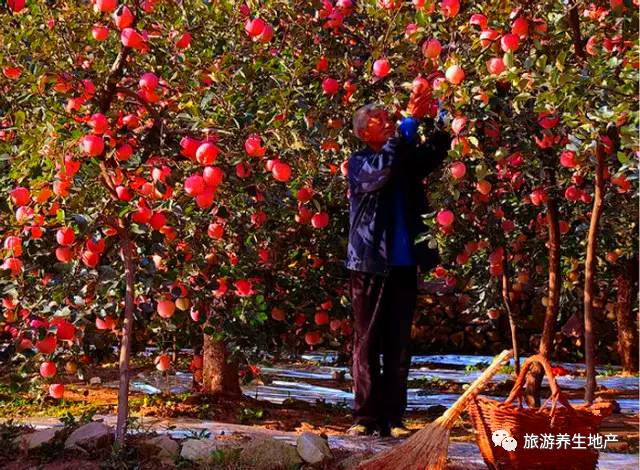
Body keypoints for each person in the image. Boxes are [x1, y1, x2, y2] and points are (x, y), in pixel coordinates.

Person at [345, 100, 450, 438]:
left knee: (398, 344)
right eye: (378, 120)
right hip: (370, 263)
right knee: (367, 341)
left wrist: (444, 124)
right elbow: (384, 168)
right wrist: (407, 128)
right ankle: (365, 417)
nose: (387, 121)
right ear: (364, 132)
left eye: (388, 117)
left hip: (403, 264)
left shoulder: (401, 158)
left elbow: (429, 157)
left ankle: (393, 418)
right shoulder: (360, 162)